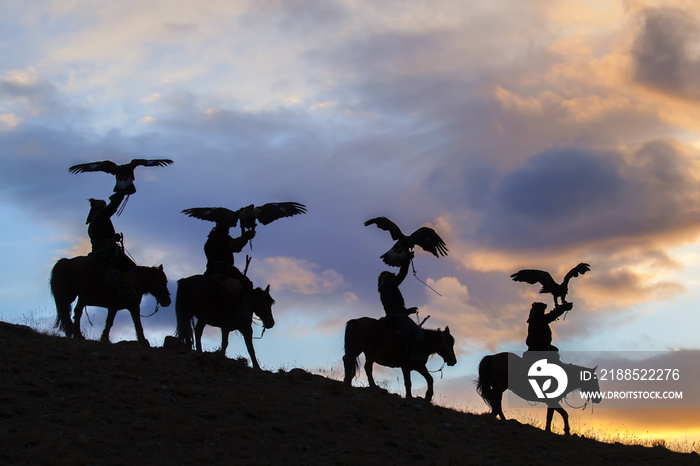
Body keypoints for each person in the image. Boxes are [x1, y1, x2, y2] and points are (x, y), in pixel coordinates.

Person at [85, 192, 137, 299]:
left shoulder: (93, 222)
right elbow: (112, 208)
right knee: (131, 266)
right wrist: (120, 194)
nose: (105, 208)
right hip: (106, 250)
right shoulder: (101, 216)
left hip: (96, 250)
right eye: (104, 206)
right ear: (100, 207)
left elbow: (101, 235)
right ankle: (125, 288)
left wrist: (114, 237)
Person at [377, 255, 424, 364]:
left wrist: (408, 311)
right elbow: (402, 274)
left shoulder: (384, 289)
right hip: (399, 316)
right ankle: (413, 356)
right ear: (389, 278)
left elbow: (393, 308)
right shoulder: (390, 285)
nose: (394, 278)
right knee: (419, 334)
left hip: (392, 316)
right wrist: (405, 261)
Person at [203, 222, 255, 294]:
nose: (229, 228)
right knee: (247, 284)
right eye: (228, 226)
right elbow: (236, 246)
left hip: (210, 269)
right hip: (224, 268)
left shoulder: (210, 239)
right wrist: (245, 237)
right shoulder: (222, 236)